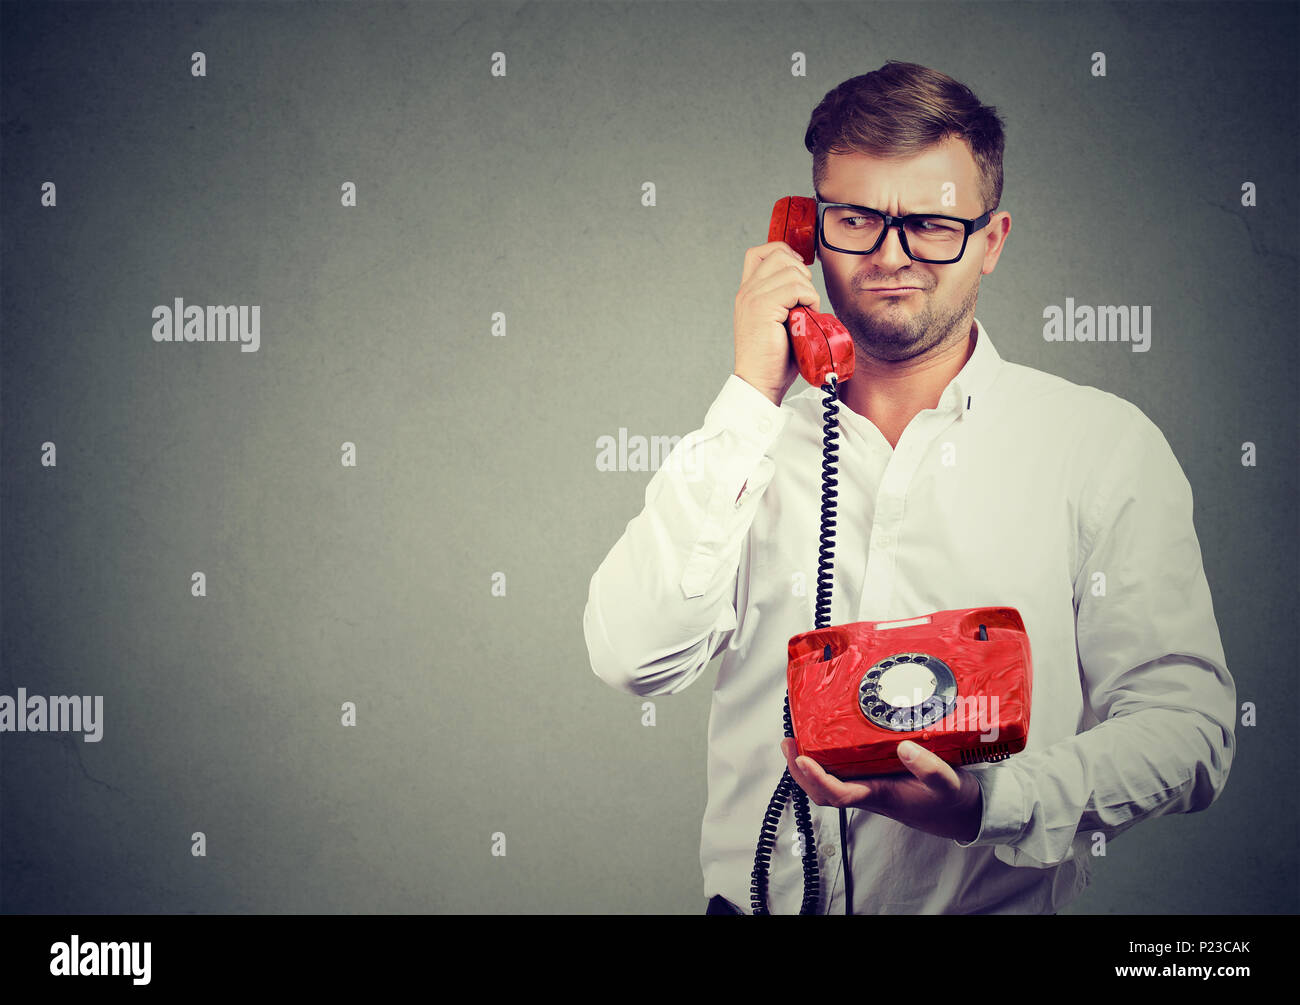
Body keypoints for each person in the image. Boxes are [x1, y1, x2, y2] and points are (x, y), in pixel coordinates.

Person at [582, 61, 1236, 915]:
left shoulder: (1100, 447)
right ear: (806, 233)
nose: (892, 257)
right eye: (856, 219)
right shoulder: (741, 445)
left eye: (931, 224)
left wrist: (986, 804)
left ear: (992, 239)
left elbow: (1187, 729)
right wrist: (751, 389)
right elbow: (633, 656)